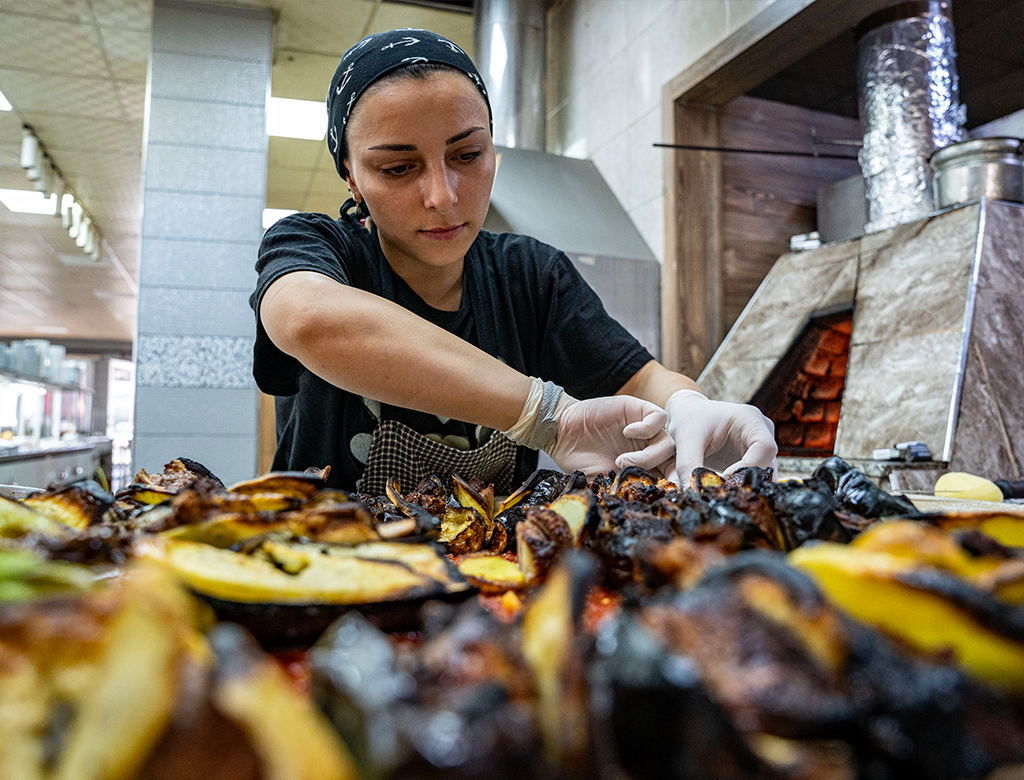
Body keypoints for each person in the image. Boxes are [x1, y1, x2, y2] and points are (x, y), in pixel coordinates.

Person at [250, 28, 776, 496]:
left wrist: (689, 408)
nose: (443, 196)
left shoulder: (529, 275)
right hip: (324, 573)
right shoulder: (318, 247)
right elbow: (309, 319)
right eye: (397, 167)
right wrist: (546, 417)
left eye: (467, 156)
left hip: (493, 583)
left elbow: (641, 382)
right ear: (350, 175)